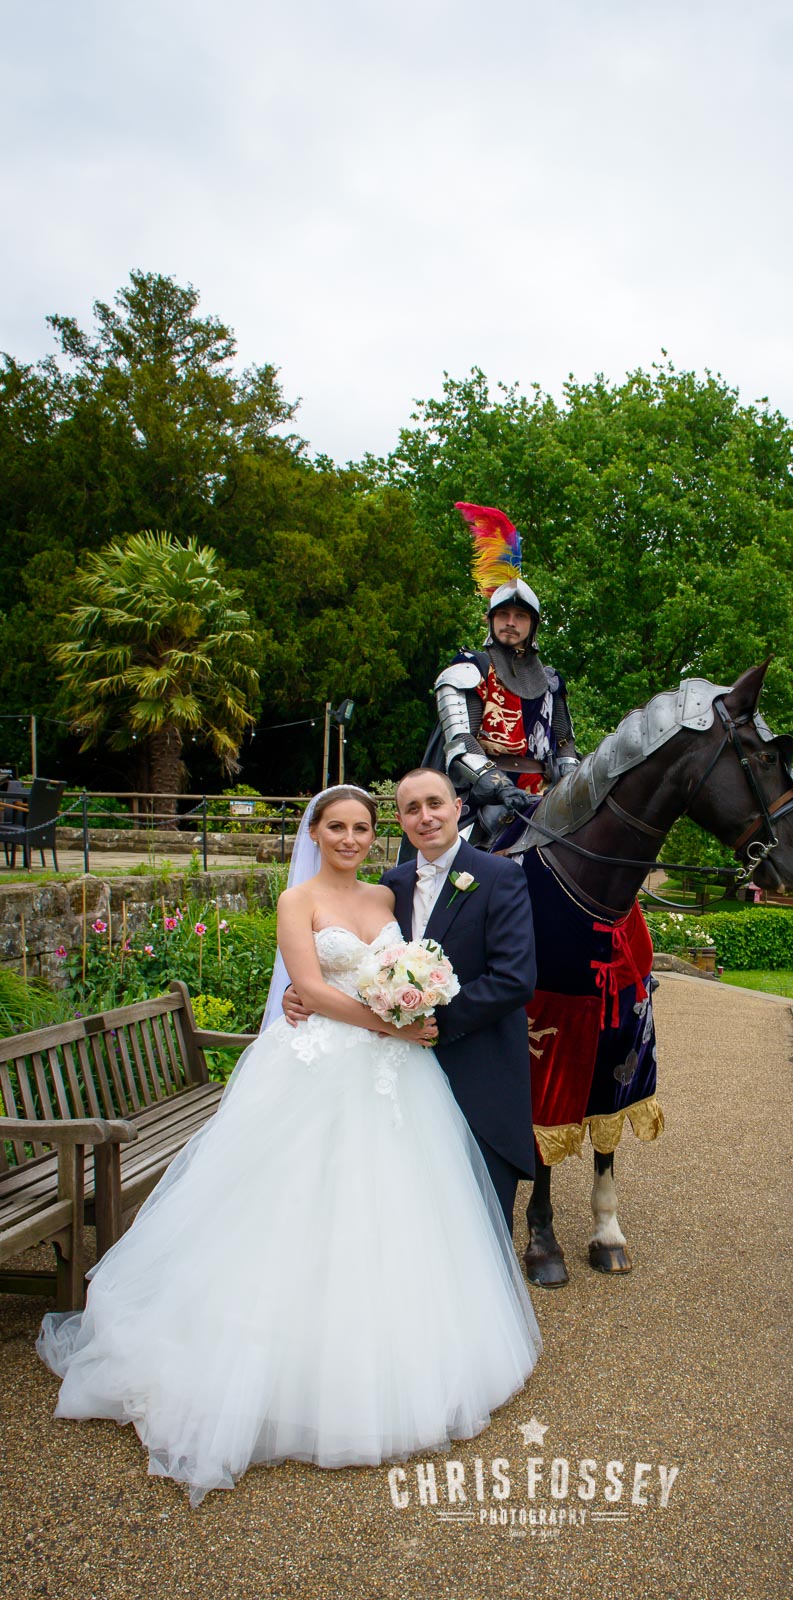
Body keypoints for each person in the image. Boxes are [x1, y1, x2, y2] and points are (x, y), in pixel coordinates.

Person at [37, 785, 540, 1505]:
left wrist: (411, 1009)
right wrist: (383, 1020)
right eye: (337, 825)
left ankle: (397, 1356)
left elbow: (448, 970)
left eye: (362, 826)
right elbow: (306, 984)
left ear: (383, 832)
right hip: (324, 1068)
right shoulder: (298, 899)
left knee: (400, 1209)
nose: (350, 836)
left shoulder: (390, 895)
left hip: (400, 1077)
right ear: (315, 830)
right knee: (294, 1208)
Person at [284, 768, 538, 1230]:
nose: (426, 817)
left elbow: (515, 978)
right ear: (400, 820)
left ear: (457, 808)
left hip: (477, 1068)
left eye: (435, 804)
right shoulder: (391, 885)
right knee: (400, 1213)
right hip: (391, 1072)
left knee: (481, 1221)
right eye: (412, 809)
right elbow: (358, 959)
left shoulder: (499, 875)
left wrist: (433, 1022)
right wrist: (300, 988)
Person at [433, 502, 579, 841]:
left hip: (545, 794)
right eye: (504, 615)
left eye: (521, 616)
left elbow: (564, 741)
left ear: (533, 625)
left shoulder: (551, 681)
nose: (511, 623)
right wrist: (497, 787)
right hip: (482, 795)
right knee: (458, 856)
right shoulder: (470, 670)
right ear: (491, 620)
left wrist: (570, 782)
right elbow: (459, 741)